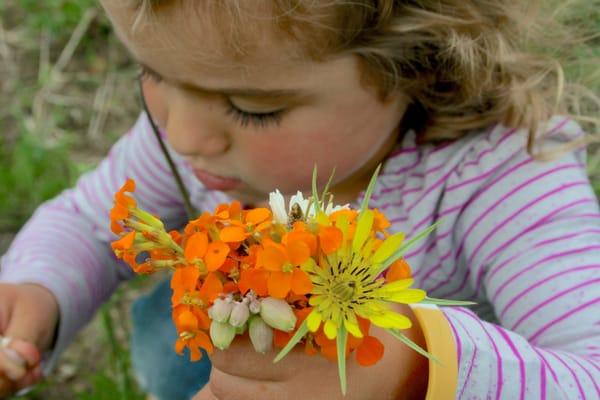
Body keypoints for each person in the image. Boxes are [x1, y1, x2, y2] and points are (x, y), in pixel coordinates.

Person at [1, 1, 599, 399]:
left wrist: (414, 369)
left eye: (254, 108)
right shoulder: (192, 135)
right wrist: (34, 294)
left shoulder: (505, 173)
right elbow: (87, 223)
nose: (182, 136)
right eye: (153, 74)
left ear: (416, 64)